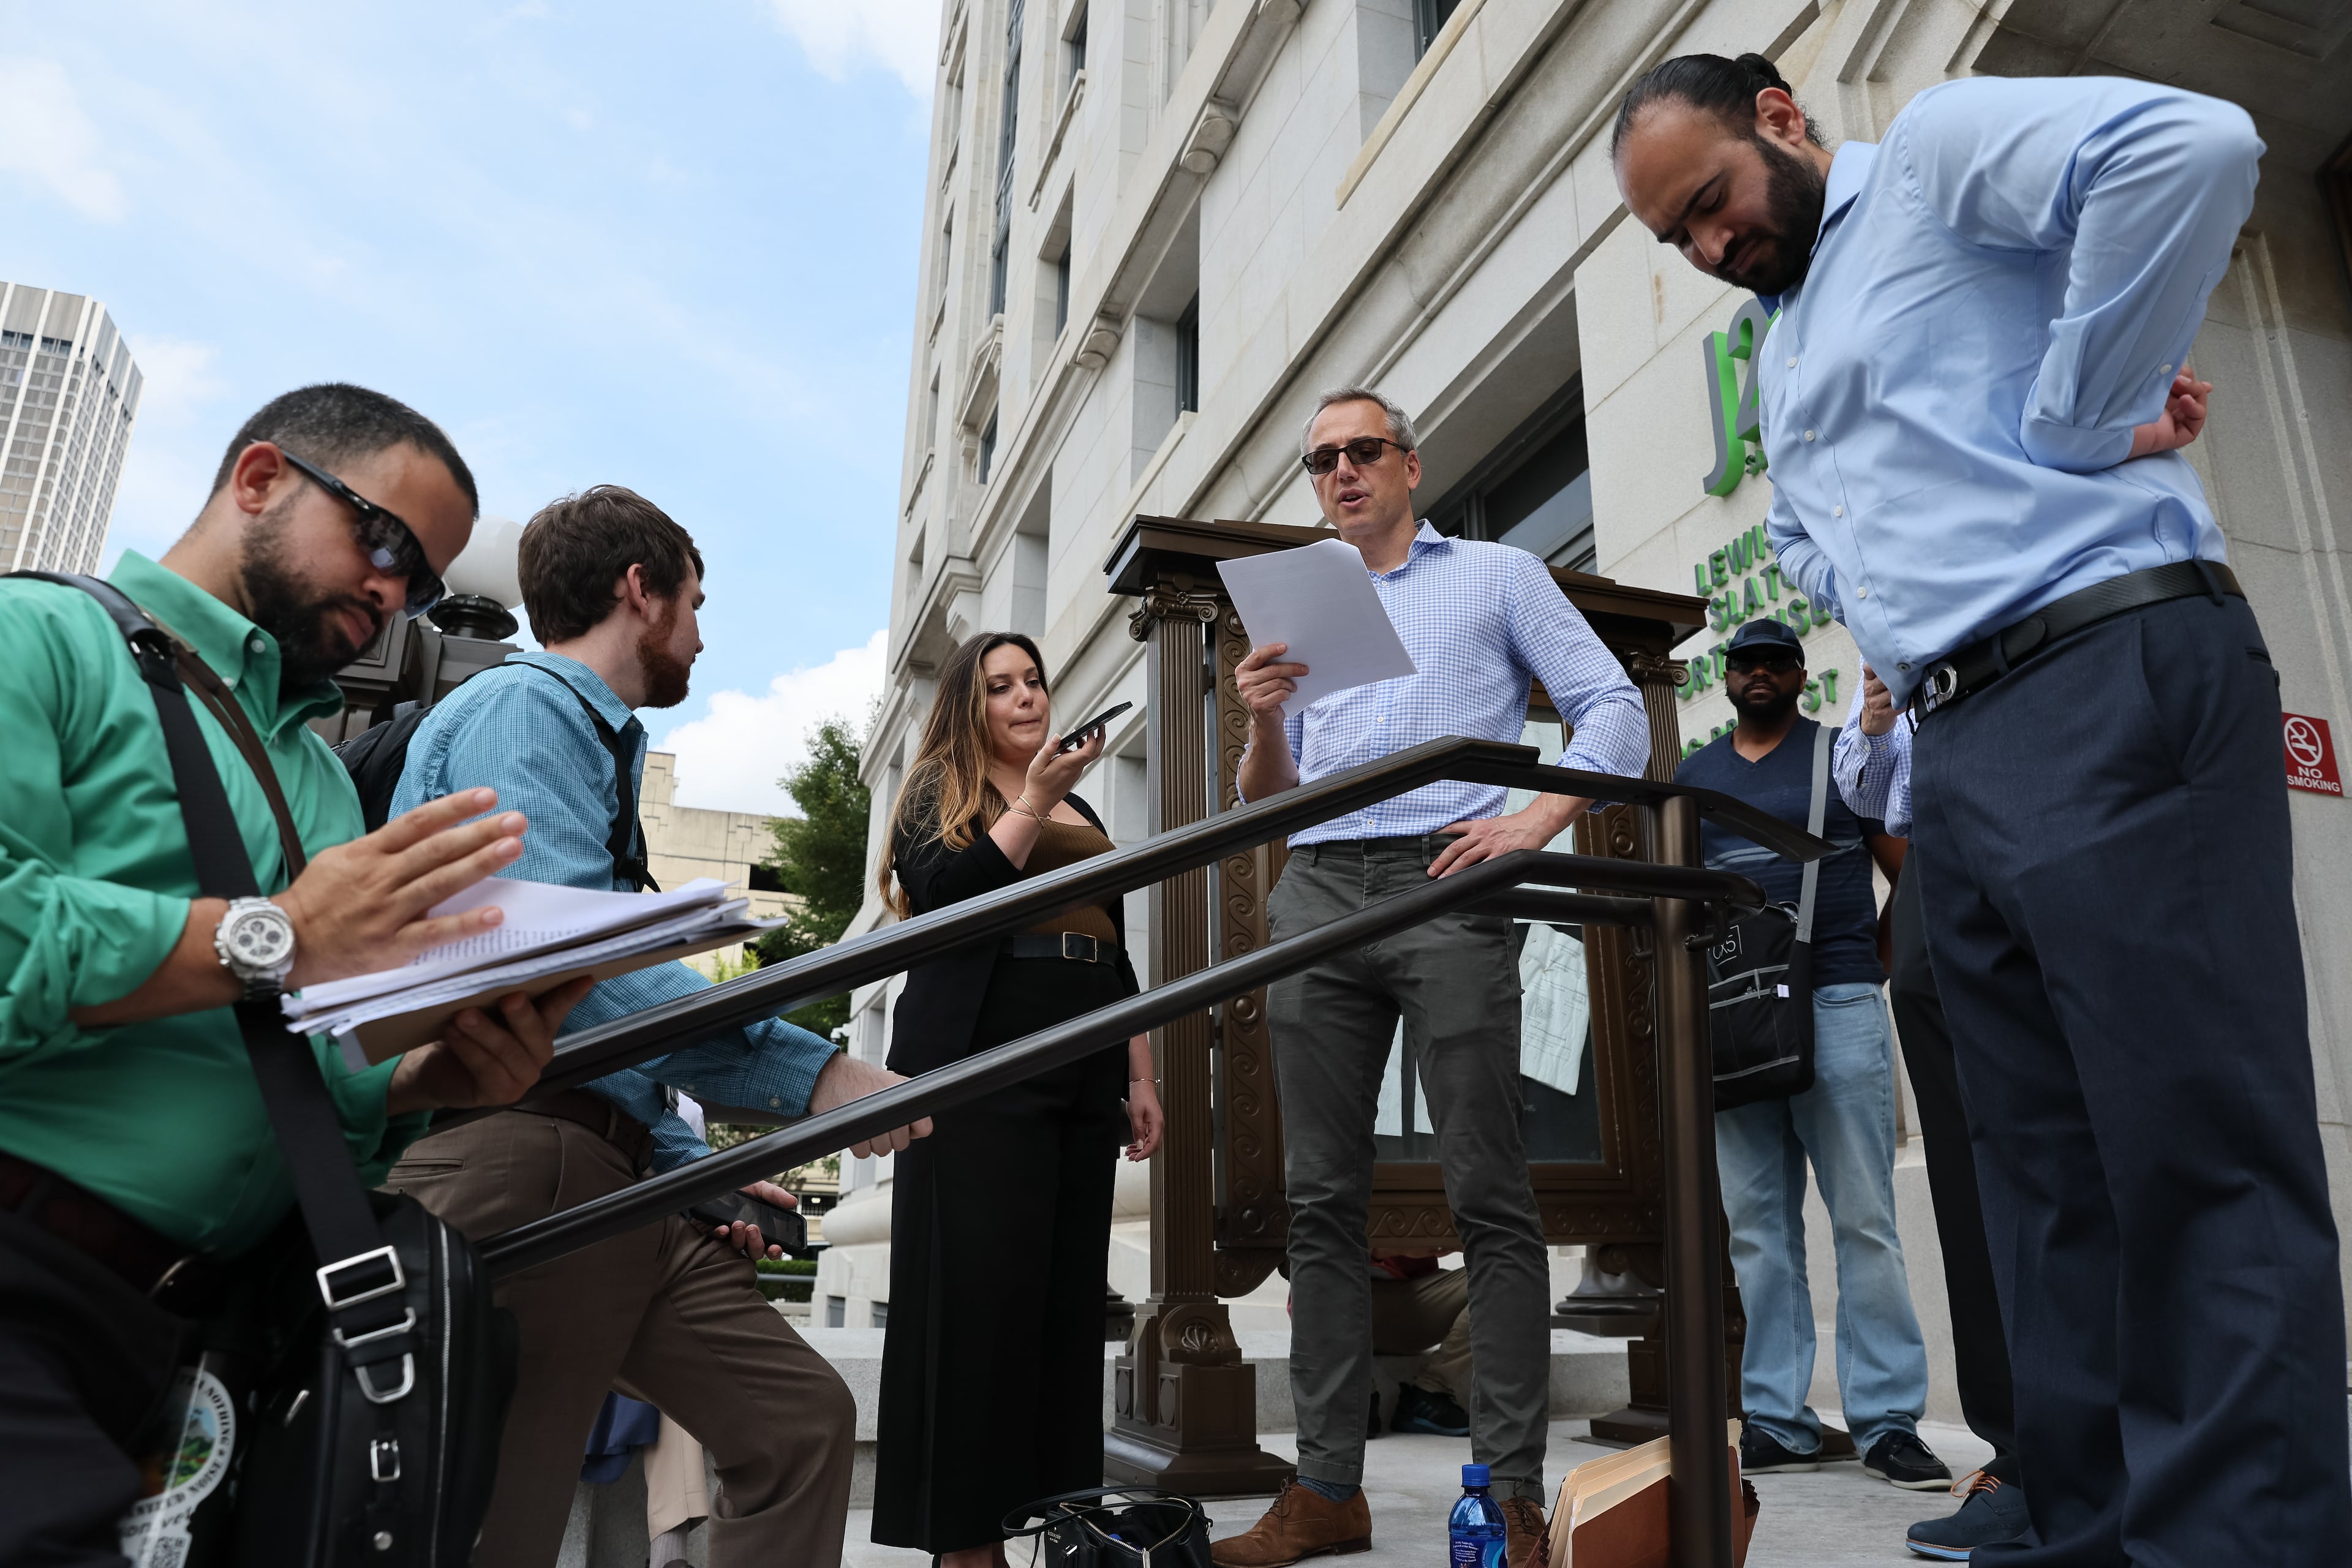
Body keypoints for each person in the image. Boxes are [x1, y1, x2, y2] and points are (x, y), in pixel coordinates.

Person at [1616, 51, 2352, 1562]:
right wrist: (1880, 600)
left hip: (2106, 660)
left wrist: (2084, 410)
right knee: (2037, 1171)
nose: (1705, 250)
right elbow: (1813, 542)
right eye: (1673, 242)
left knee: (2190, 1137)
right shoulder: (1776, 347)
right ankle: (2077, 1503)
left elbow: (2192, 143)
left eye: (1708, 205)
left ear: (1778, 119)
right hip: (1957, 736)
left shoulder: (1938, 152)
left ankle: (2244, 1532)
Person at [0, 384, 586, 1564]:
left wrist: (425, 1081)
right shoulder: (37, 637)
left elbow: (283, 1046)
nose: (392, 593)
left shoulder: (316, 778)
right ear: (259, 479)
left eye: (420, 584)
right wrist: (275, 936)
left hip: (198, 1333)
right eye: (383, 544)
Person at [382, 484, 922, 1567]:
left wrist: (699, 1173)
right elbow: (561, 959)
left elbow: (606, 999)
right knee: (501, 1524)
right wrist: (812, 1074)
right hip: (525, 1155)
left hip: (621, 1176)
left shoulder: (588, 745)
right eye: (697, 601)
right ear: (642, 591)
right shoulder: (525, 712)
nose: (704, 633)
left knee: (798, 1422)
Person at [1212, 385, 1649, 1568]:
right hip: (1318, 888)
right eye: (1321, 462)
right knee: (1319, 1202)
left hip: (1452, 875)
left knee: (1489, 1193)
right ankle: (1326, 1492)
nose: (1341, 474)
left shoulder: (1498, 575)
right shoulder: (1303, 597)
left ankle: (1509, 1487)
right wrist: (1261, 716)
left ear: (1411, 465)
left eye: (1362, 452)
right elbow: (1269, 797)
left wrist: (1537, 821)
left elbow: (1616, 709)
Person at [871, 630, 1164, 1568]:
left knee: (1063, 1308)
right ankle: (965, 1542)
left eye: (1034, 681)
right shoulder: (936, 794)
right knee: (976, 1306)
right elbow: (952, 900)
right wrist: (1031, 800)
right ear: (970, 706)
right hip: (981, 1061)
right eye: (1002, 686)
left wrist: (1141, 1071)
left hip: (1084, 1057)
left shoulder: (1078, 804)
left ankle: (1051, 1521)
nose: (1028, 697)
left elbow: (1112, 946)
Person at [1674, 618, 1945, 1491]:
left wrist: (1868, 970)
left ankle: (1888, 1420)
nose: (1759, 673)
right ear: (1726, 679)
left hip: (1835, 1005)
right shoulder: (1695, 776)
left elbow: (1911, 873)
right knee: (1757, 1230)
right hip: (1736, 1018)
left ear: (1799, 674)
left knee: (1865, 1218)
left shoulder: (1843, 753)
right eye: (1744, 663)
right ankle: (1779, 1421)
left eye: (1775, 662)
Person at [1836, 669, 2029, 1559]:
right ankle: (2023, 1459)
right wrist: (1875, 727)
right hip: (1935, 862)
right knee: (1967, 1187)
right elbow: (1866, 793)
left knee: (2089, 1156)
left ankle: (2145, 1437)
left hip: (2047, 800)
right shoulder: (1888, 613)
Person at [1368, 1252, 1474, 1438]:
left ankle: (1429, 1393)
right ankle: (1358, 1398)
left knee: (1509, 1270)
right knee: (1321, 1264)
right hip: (1352, 1293)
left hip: (1417, 1296)